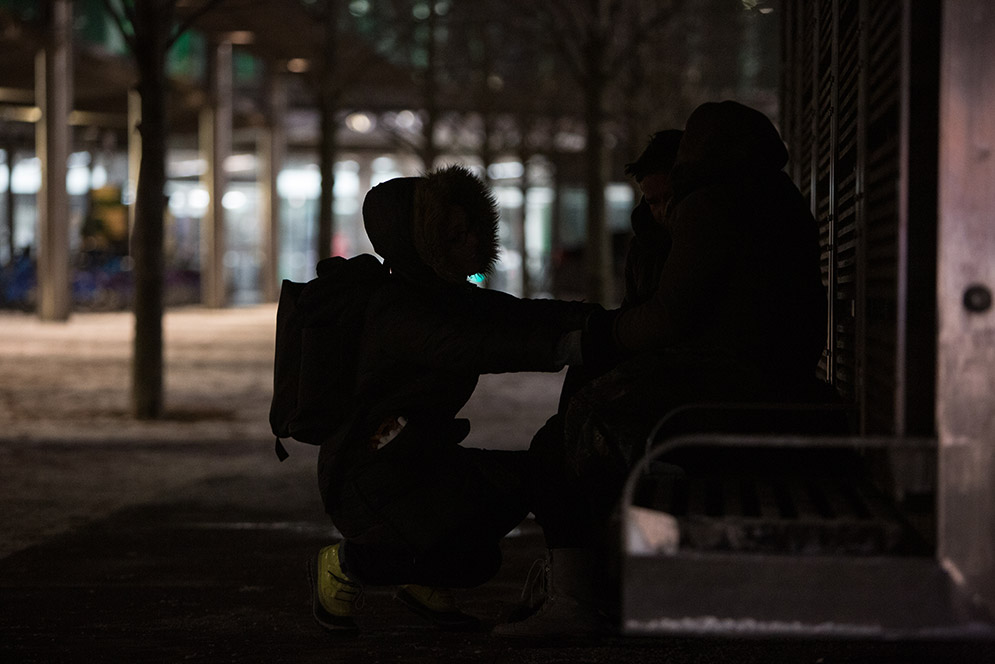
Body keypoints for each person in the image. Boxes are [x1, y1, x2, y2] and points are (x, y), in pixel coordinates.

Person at [497, 101, 828, 637]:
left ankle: (577, 594)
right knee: (580, 418)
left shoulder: (711, 204)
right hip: (766, 382)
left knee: (560, 442)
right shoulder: (775, 198)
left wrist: (601, 338)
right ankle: (582, 580)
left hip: (729, 390)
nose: (663, 205)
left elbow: (670, 316)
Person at [309, 165, 596, 633]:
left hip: (417, 460)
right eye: (454, 233)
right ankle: (346, 564)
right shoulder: (396, 309)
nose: (470, 243)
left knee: (499, 524)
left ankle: (419, 570)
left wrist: (598, 321)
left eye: (471, 230)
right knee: (475, 549)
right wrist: (568, 347)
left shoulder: (446, 295)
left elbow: (519, 315)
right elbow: (473, 344)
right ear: (422, 241)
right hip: (367, 476)